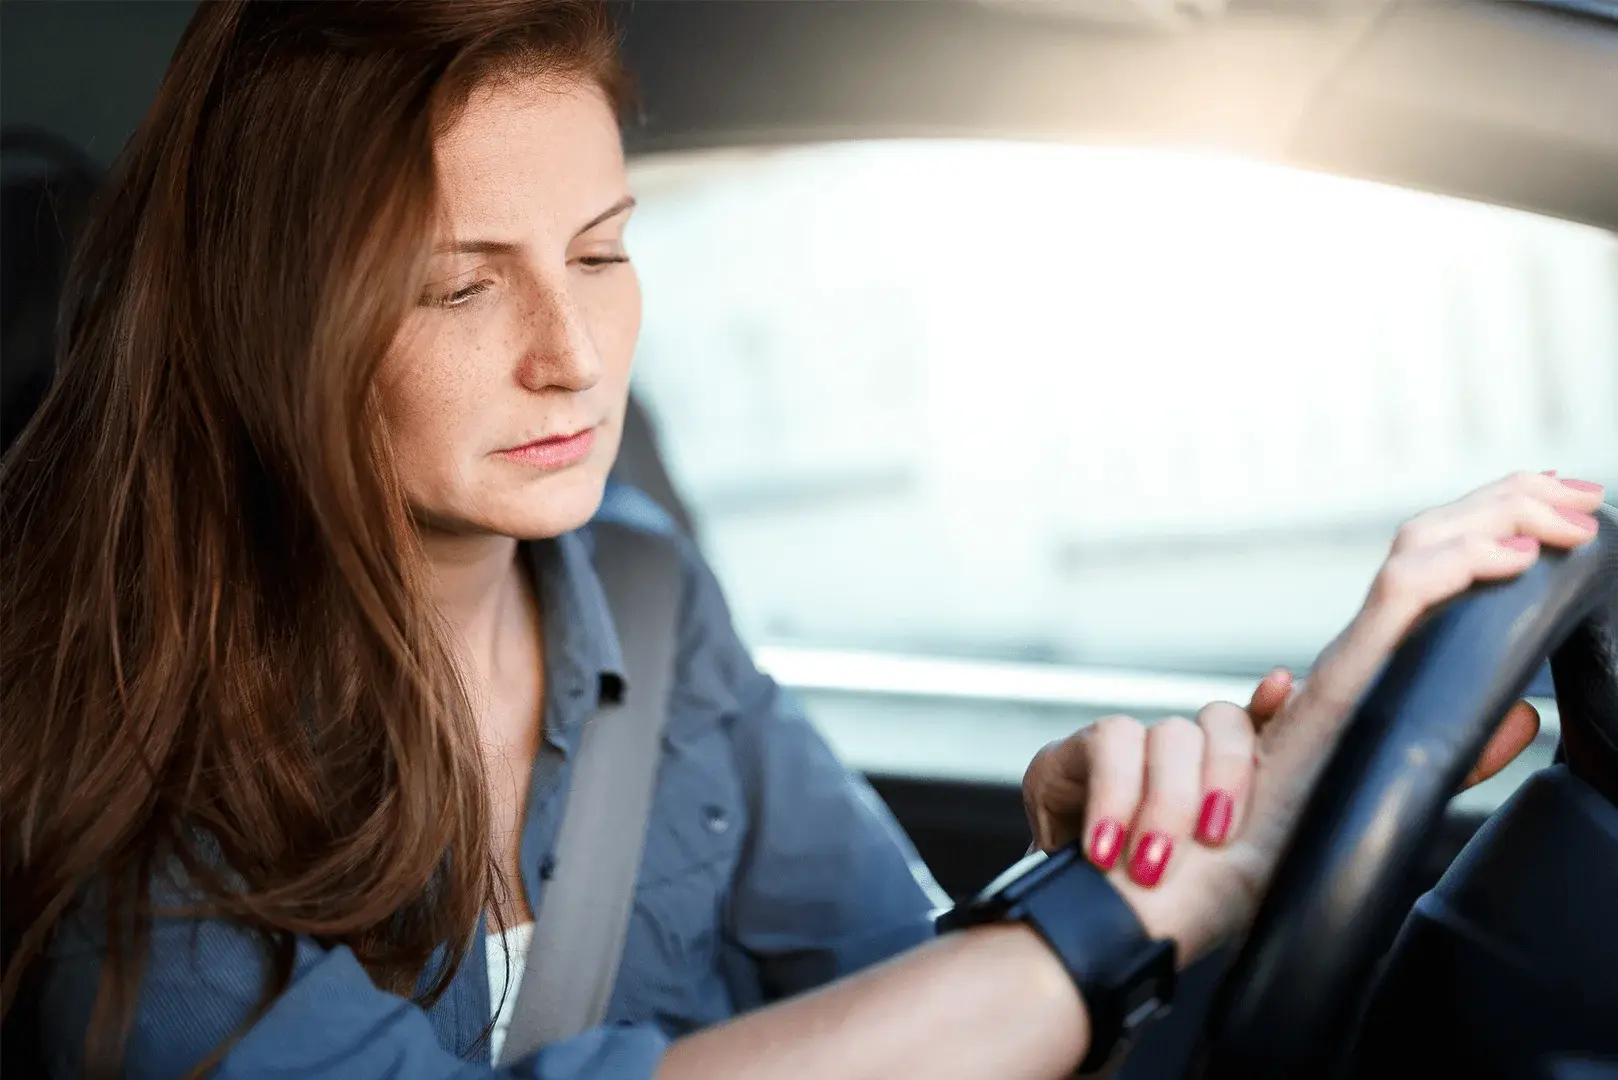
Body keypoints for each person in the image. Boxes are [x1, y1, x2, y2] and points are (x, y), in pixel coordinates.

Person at [0, 1, 1598, 1077]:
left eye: (603, 252)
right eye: (462, 283)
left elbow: (902, 994)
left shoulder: (639, 587)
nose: (574, 352)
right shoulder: (117, 781)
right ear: (279, 324)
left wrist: (1174, 829)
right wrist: (1118, 916)